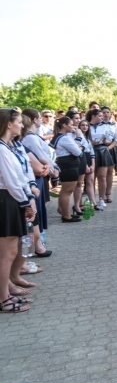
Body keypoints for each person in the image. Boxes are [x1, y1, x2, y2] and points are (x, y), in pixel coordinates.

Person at [0, 109, 37, 313]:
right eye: (18, 122)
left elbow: (21, 176)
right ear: (8, 124)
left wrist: (27, 197)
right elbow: (12, 180)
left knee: (11, 251)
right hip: (7, 199)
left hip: (13, 198)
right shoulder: (2, 149)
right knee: (6, 254)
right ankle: (3, 298)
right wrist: (26, 202)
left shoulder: (9, 147)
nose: (22, 125)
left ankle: (5, 292)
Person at [50, 117, 83, 223]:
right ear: (64, 125)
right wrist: (79, 139)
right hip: (69, 166)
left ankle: (62, 210)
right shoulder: (65, 138)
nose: (73, 126)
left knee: (64, 191)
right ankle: (66, 215)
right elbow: (78, 152)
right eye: (71, 124)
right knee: (67, 191)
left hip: (65, 164)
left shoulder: (59, 137)